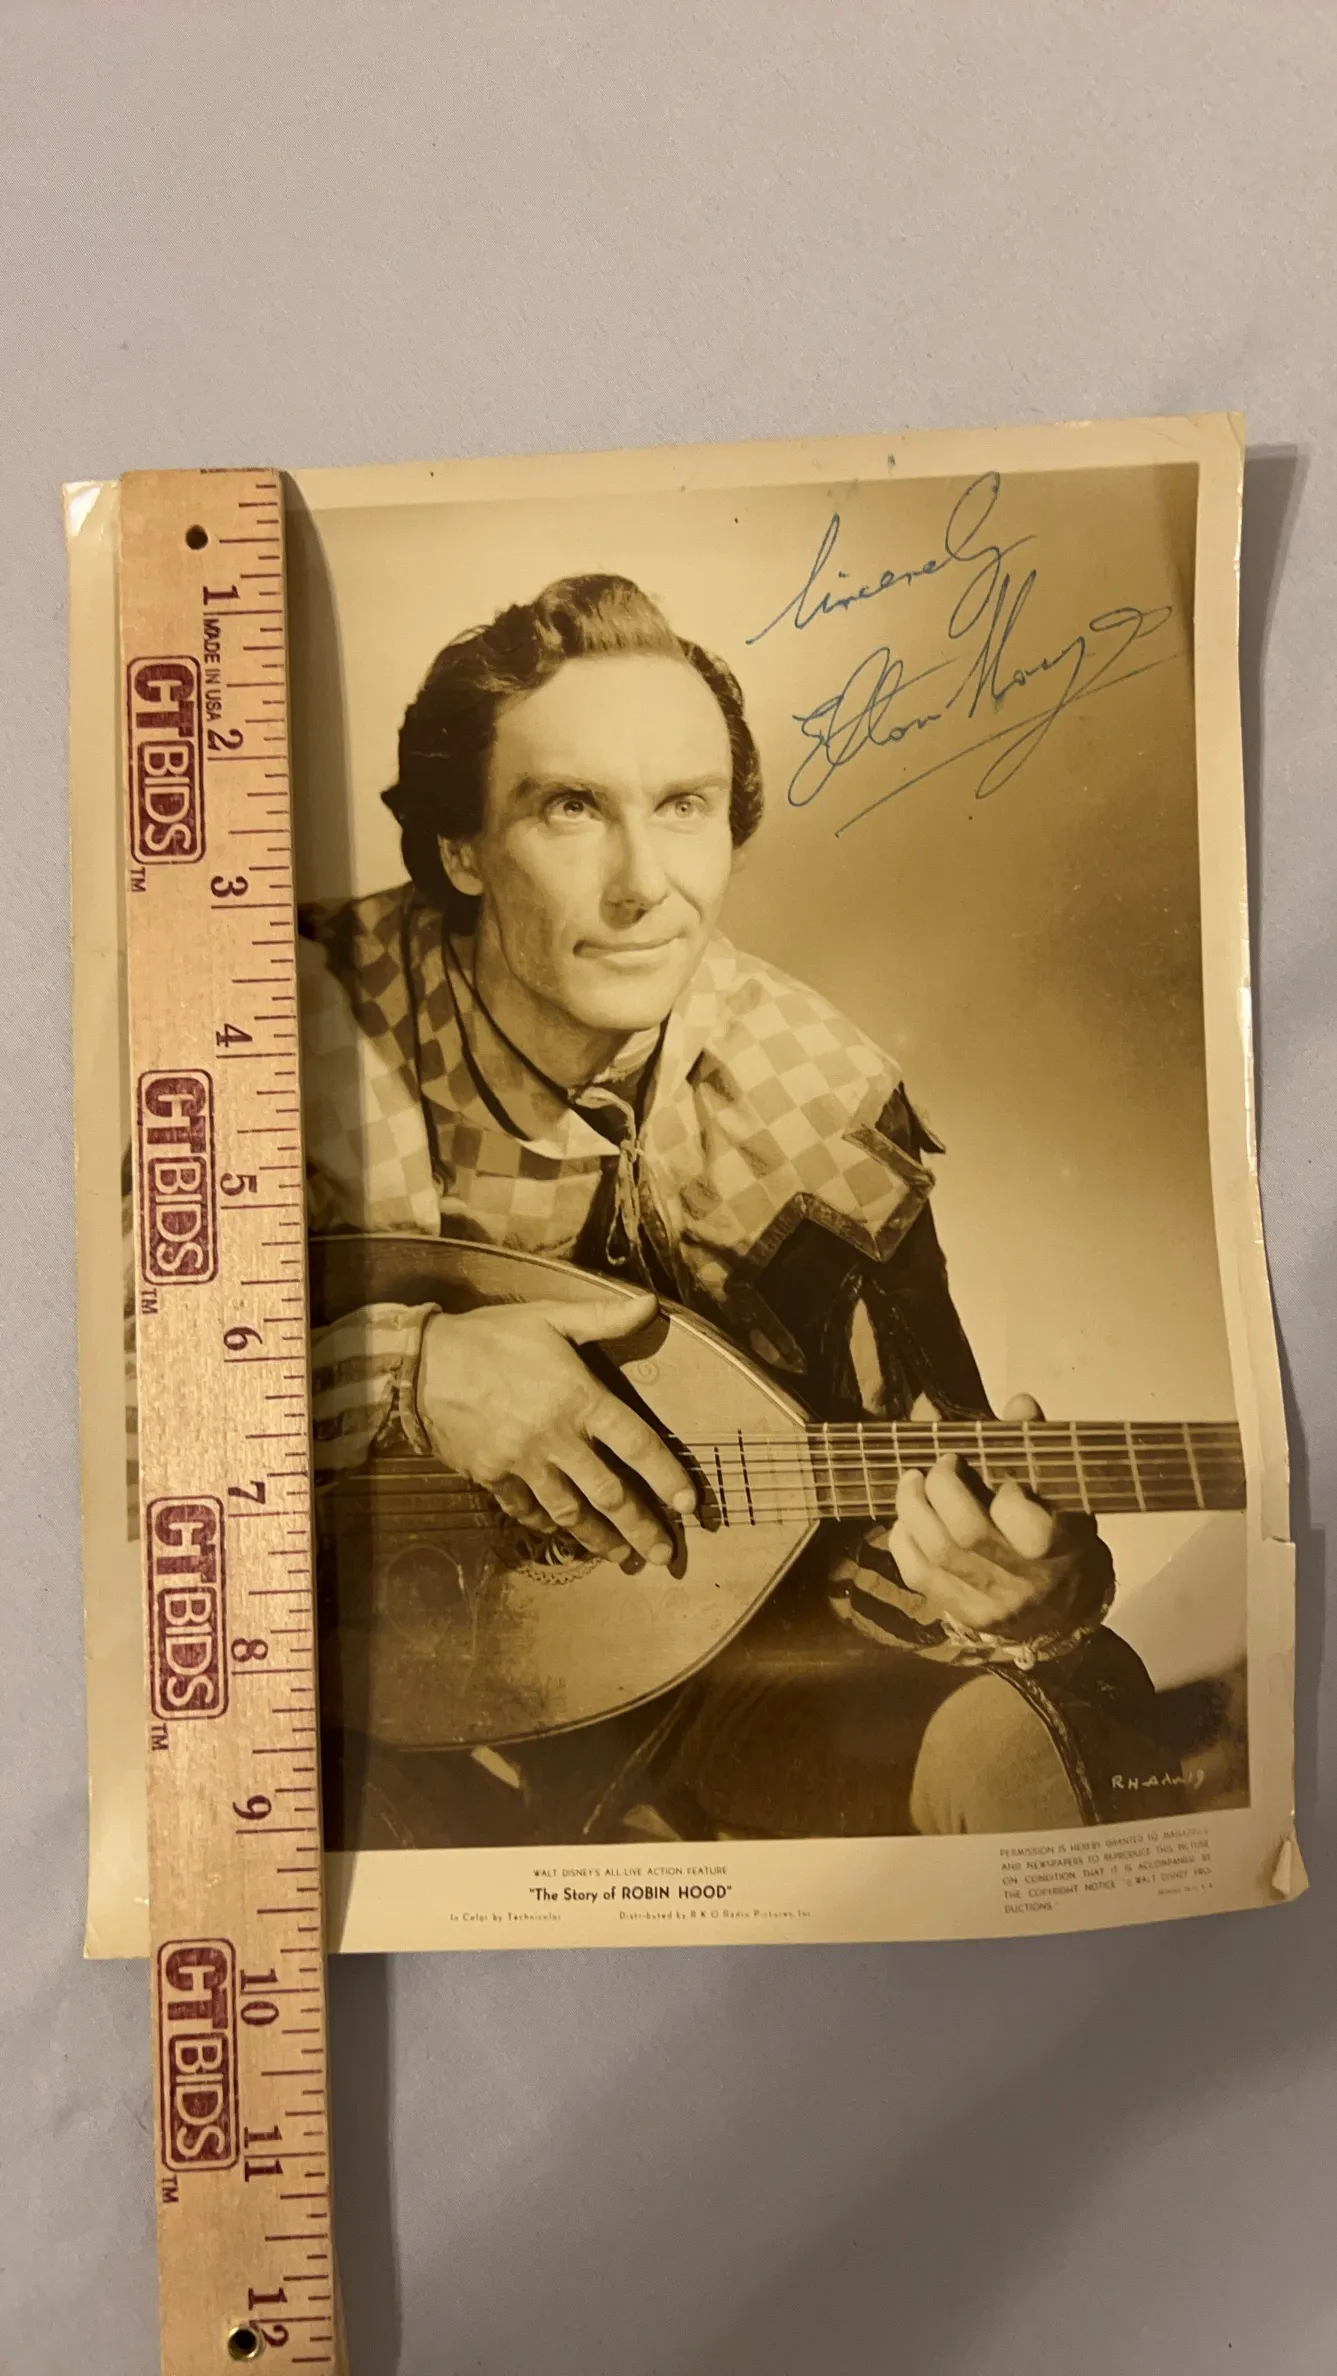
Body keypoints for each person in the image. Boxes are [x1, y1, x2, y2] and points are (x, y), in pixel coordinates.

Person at [298, 572, 1187, 1847]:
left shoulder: (815, 1095)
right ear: (460, 850)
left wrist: (1011, 1595)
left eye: (684, 807)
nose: (642, 886)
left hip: (704, 1675)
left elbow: (918, 1486)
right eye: (568, 808)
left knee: (1049, 1730)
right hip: (339, 1684)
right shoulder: (302, 1021)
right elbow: (126, 1409)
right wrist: (415, 1371)